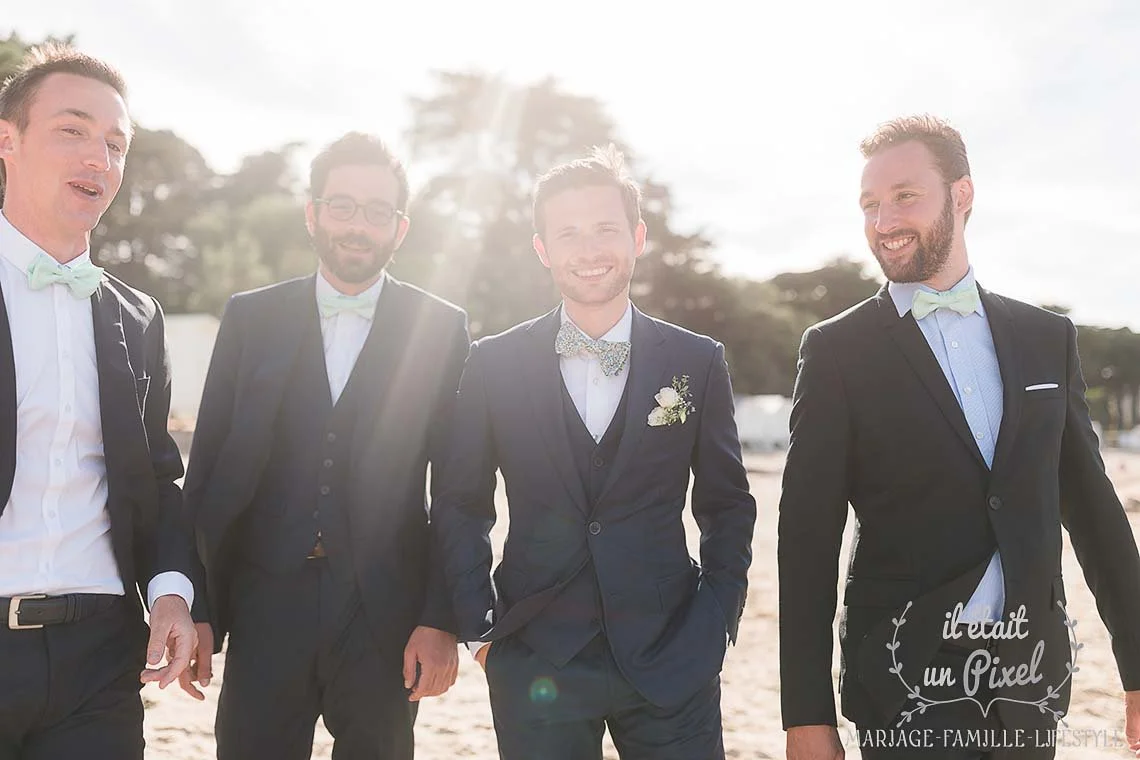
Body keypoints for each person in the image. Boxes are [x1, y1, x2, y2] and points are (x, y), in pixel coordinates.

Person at [778, 114, 1140, 759]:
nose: (884, 221)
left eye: (905, 196)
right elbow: (806, 541)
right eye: (870, 204)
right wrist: (807, 716)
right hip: (903, 679)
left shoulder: (1046, 338)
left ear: (962, 194)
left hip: (1027, 676)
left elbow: (1091, 508)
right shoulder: (835, 351)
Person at [433, 145, 756, 760]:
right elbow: (459, 500)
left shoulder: (696, 360)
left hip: (671, 656)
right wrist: (480, 631)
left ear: (637, 237)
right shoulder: (493, 363)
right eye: (569, 233)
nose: (589, 249)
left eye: (606, 229)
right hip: (534, 659)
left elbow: (727, 504)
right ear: (542, 248)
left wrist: (714, 621)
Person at [183, 131, 469, 760]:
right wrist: (196, 604)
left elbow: (457, 489)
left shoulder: (442, 329)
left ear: (400, 227)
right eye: (341, 206)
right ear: (312, 214)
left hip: (384, 614)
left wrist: (441, 617)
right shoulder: (250, 317)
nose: (357, 225)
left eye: (376, 211)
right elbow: (204, 471)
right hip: (263, 601)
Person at [0, 43, 201, 760]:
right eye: (73, 130)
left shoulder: (138, 316)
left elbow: (155, 476)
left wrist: (173, 594)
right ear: (8, 140)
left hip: (99, 664)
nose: (98, 158)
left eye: (115, 144)